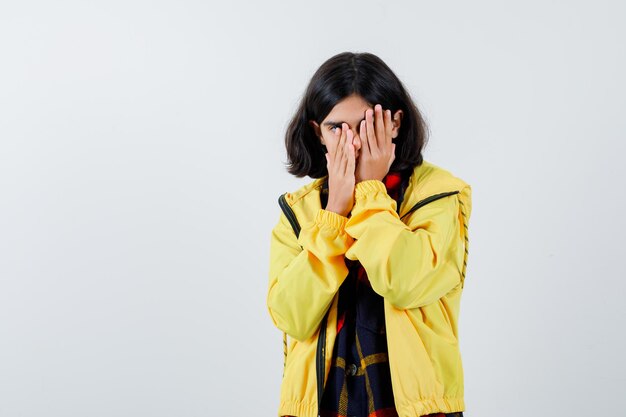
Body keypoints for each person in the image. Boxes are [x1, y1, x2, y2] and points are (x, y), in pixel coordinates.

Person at [267, 51, 472, 417]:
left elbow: (408, 282)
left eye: (366, 124)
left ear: (394, 123)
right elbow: (291, 316)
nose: (354, 142)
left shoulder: (438, 195)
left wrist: (371, 194)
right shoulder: (299, 211)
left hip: (414, 407)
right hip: (321, 405)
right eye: (336, 128)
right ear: (318, 133)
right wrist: (334, 216)